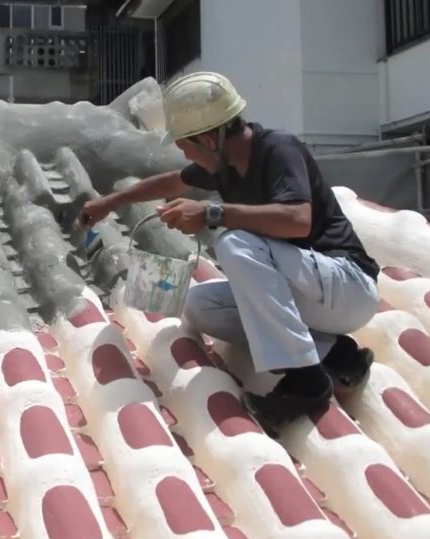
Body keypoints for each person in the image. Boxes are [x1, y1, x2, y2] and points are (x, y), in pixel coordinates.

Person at [80, 71, 380, 428]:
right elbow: (172, 181)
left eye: (184, 145)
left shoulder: (278, 149)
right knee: (199, 306)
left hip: (347, 286)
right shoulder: (225, 164)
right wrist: (111, 201)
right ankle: (338, 355)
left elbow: (298, 219)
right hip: (308, 292)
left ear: (208, 139)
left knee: (235, 242)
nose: (182, 153)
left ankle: (306, 385)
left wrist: (212, 212)